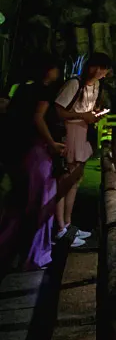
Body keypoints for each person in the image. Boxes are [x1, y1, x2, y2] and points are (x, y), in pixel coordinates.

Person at [0, 54, 65, 270]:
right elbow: (38, 118)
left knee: (18, 203)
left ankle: (8, 251)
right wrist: (53, 144)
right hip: (38, 153)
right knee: (41, 203)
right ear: (48, 71)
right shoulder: (43, 91)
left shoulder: (20, 89)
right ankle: (36, 255)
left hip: (19, 152)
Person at [53, 52, 112, 246]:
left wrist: (93, 114)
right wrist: (83, 116)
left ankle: (68, 224)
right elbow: (59, 110)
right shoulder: (74, 84)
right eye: (102, 70)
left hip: (83, 133)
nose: (103, 74)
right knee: (65, 178)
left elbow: (86, 109)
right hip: (70, 133)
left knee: (75, 179)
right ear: (95, 68)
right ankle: (59, 228)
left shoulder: (96, 85)